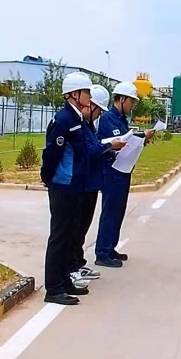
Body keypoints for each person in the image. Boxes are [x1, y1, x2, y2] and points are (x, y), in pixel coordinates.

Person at [41, 72, 97, 305]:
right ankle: (53, 289)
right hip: (63, 186)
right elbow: (51, 153)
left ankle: (64, 281)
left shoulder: (77, 119)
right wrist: (47, 178)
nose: (90, 97)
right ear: (74, 94)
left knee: (70, 236)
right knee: (60, 236)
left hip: (76, 186)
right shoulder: (63, 120)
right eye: (87, 92)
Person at [95, 81, 153, 268]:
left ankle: (110, 247)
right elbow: (115, 141)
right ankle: (102, 252)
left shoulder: (121, 119)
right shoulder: (108, 119)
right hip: (111, 171)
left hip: (123, 170)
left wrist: (142, 139)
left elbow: (127, 140)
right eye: (131, 101)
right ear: (121, 99)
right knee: (110, 212)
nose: (132, 105)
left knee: (118, 211)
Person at [67, 84, 113, 289]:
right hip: (81, 184)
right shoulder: (77, 126)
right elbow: (88, 152)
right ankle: (71, 268)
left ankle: (78, 263)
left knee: (83, 227)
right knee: (74, 228)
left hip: (91, 183)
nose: (98, 115)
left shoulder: (89, 126)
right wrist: (109, 146)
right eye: (97, 110)